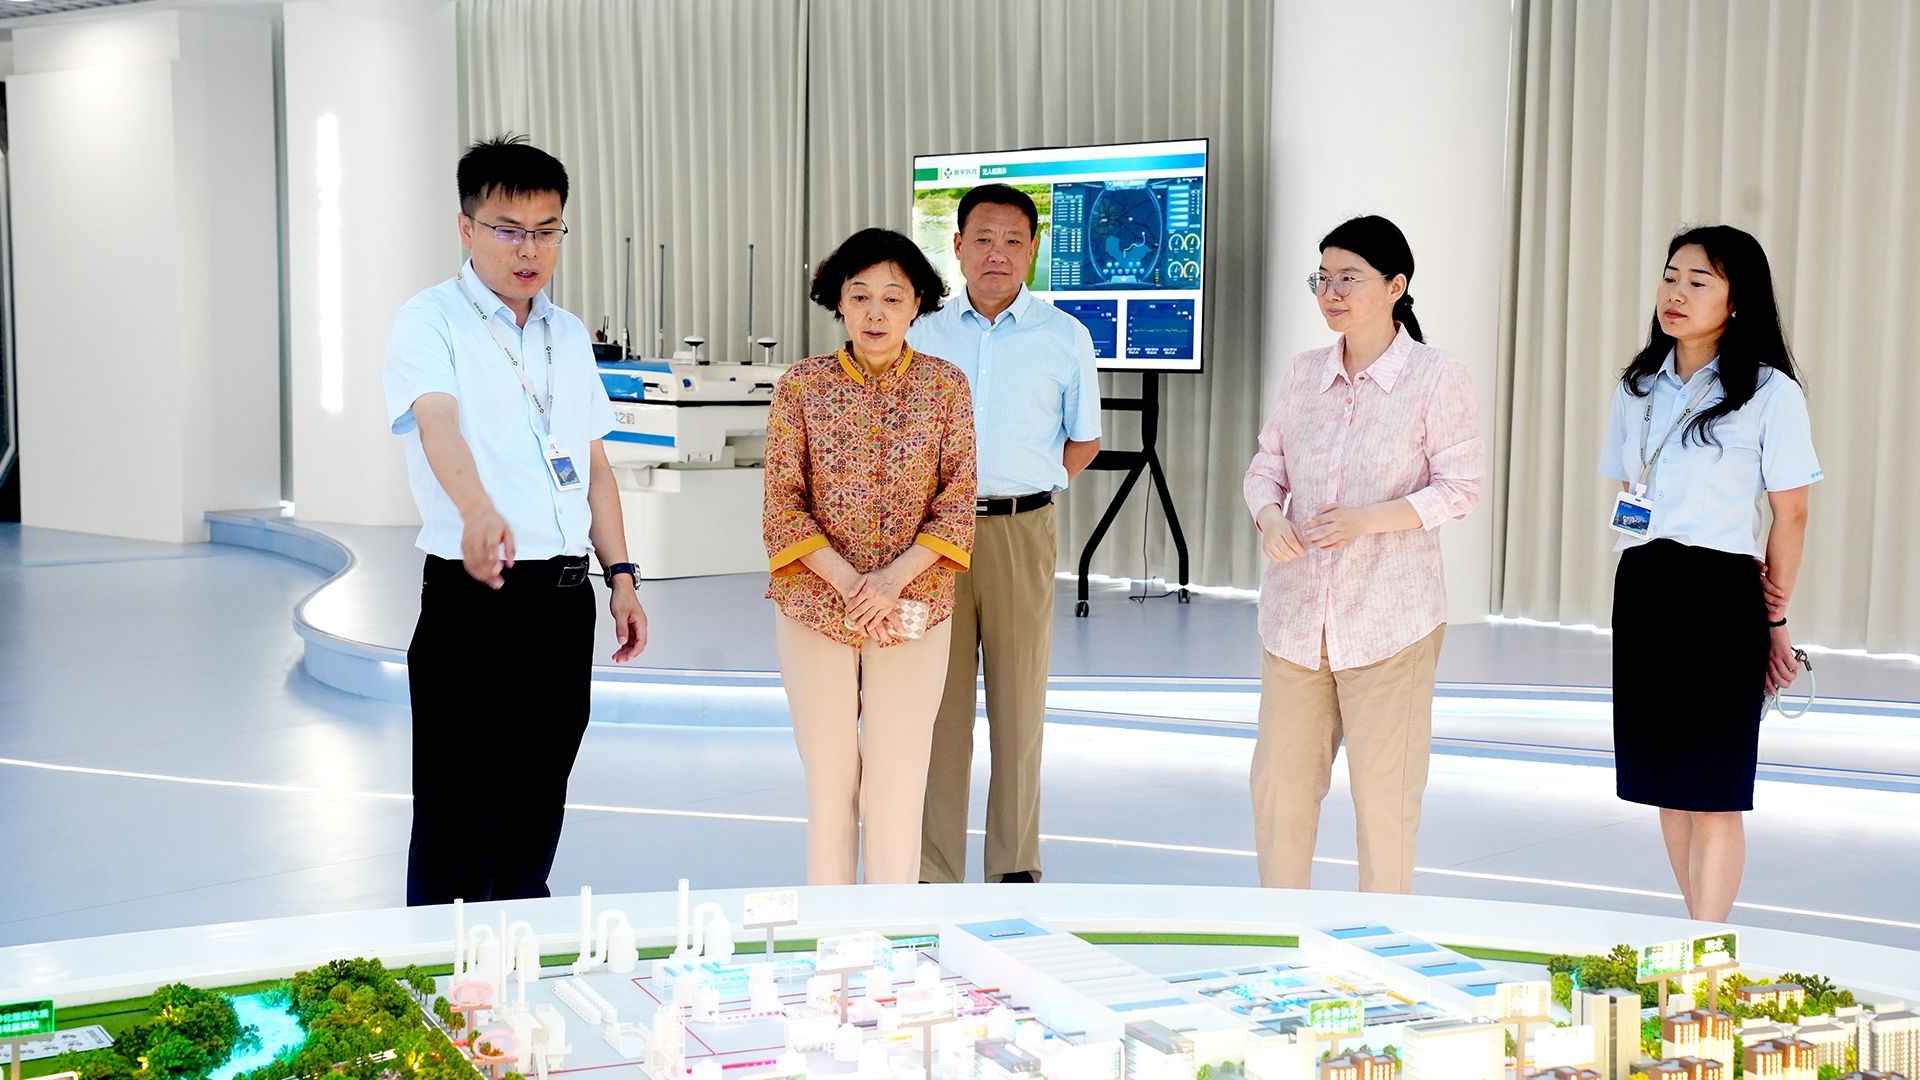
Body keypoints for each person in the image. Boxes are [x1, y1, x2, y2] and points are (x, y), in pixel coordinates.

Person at [384, 135, 648, 906]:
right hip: (476, 592)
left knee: (538, 797)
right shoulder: (430, 320)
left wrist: (621, 576)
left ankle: (518, 952)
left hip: (564, 600)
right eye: (508, 230)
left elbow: (594, 467)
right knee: (460, 803)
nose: (528, 250)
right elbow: (437, 422)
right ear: (466, 228)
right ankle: (444, 962)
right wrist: (477, 512)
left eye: (546, 230)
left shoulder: (567, 334)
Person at [1243, 215, 1482, 893]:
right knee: (1280, 792)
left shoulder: (1437, 377)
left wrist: (1367, 520)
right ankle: (1281, 935)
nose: (1331, 292)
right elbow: (1266, 469)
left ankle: (1382, 945)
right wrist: (1268, 516)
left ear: (1395, 287)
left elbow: (1460, 490)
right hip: (1296, 621)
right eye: (1322, 278)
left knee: (1384, 803)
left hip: (1390, 622)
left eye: (1349, 277)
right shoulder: (1304, 373)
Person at [1599, 225, 1818, 923]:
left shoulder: (1771, 393)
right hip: (1644, 584)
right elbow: (1629, 489)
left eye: (1698, 282)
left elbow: (1791, 514)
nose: (1676, 293)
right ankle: (1699, 948)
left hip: (1721, 592)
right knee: (1667, 785)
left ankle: (1707, 948)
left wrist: (1775, 620)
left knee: (1715, 791)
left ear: (1736, 300)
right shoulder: (1637, 386)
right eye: (1671, 277)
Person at [763, 227, 976, 885]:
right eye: (860, 296)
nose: (875, 313)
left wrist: (889, 582)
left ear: (917, 304)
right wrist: (852, 583)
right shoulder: (801, 386)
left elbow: (957, 500)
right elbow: (782, 503)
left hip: (914, 606)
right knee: (829, 784)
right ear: (839, 302)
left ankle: (893, 932)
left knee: (897, 783)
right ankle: (828, 930)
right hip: (814, 607)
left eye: (892, 296)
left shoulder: (946, 387)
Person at [908, 183, 1103, 885]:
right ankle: (933, 870)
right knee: (939, 710)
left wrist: (1033, 488)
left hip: (1023, 530)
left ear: (1034, 251)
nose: (998, 253)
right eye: (983, 239)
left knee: (1020, 706)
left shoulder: (1065, 336)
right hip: (931, 538)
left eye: (1014, 241)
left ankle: (1014, 867)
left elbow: (1083, 440)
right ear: (957, 246)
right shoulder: (921, 332)